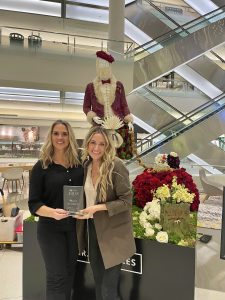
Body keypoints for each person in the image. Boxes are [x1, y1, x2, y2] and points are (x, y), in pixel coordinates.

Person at [75, 126, 136, 300]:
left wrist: (97, 208)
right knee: (98, 281)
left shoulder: (116, 166)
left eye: (102, 144)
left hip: (113, 233)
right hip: (93, 230)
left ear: (108, 145)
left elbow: (126, 200)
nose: (96, 148)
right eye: (93, 143)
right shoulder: (85, 165)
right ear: (87, 144)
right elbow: (86, 197)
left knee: (109, 288)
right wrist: (82, 211)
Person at [28, 119, 84, 300]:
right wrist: (52, 212)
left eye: (64, 133)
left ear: (70, 137)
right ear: (50, 136)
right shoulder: (41, 167)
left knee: (69, 275)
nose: (60, 137)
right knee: (56, 277)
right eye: (56, 133)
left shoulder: (78, 166)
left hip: (73, 229)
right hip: (50, 230)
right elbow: (33, 204)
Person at [83, 50, 134, 159]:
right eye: (100, 64)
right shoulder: (90, 87)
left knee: (119, 155)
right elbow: (86, 107)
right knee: (98, 153)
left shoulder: (119, 85)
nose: (103, 67)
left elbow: (124, 104)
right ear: (97, 66)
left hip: (118, 124)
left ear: (110, 66)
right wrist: (93, 117)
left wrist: (129, 120)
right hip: (100, 125)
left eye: (105, 64)